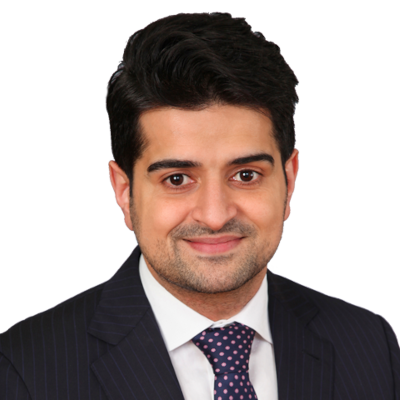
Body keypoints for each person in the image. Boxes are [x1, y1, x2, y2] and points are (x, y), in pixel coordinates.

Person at [1, 12, 399, 400]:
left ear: (289, 180)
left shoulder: (370, 344)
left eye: (246, 175)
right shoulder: (23, 370)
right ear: (124, 191)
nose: (215, 215)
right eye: (177, 179)